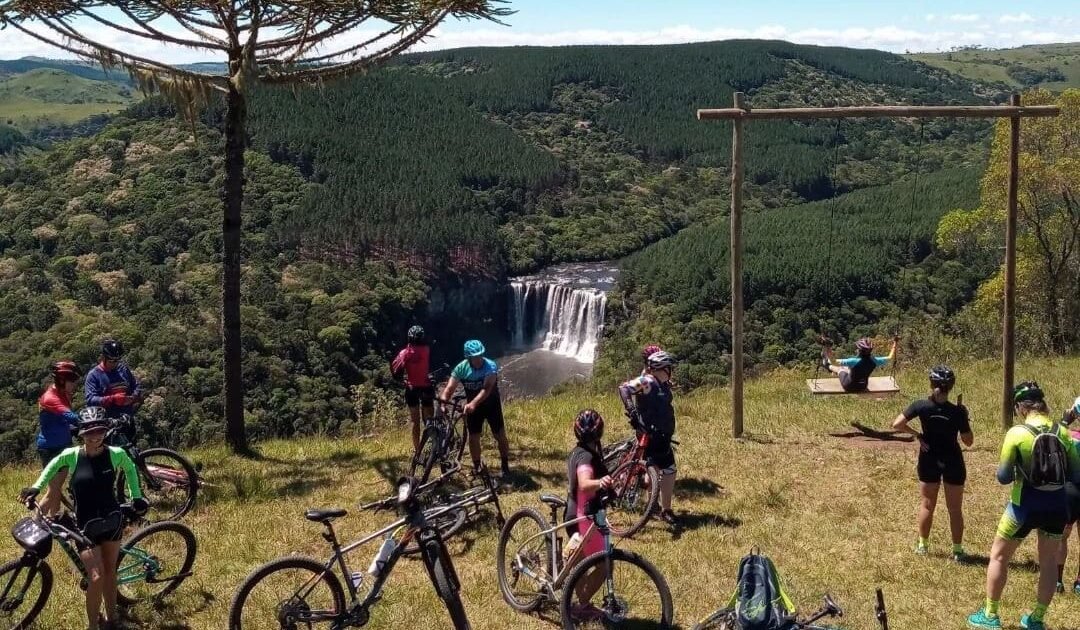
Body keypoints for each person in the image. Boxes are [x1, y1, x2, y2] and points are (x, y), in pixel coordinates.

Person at [20, 407, 148, 630]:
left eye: (99, 431)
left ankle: (111, 619)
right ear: (82, 433)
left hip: (112, 520)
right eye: (89, 432)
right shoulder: (73, 455)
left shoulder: (116, 454)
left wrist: (136, 496)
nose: (94, 436)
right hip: (84, 526)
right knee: (96, 577)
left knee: (110, 573)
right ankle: (92, 625)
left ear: (105, 431)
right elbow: (52, 466)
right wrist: (36, 487)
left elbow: (130, 468)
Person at [968, 382, 1080, 630]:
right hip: (1057, 506)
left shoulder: (1017, 434)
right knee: (1049, 561)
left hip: (1024, 506)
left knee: (999, 556)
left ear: (1021, 407)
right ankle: (1037, 618)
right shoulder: (1062, 432)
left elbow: (1003, 476)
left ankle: (990, 615)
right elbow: (1075, 473)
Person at [891, 365, 973, 560]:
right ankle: (957, 550)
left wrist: (918, 435)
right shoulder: (957, 411)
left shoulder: (920, 406)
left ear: (931, 384)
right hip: (953, 459)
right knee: (955, 509)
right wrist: (965, 417)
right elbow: (968, 442)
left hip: (929, 457)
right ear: (951, 387)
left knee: (927, 505)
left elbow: (897, 424)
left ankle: (923, 546)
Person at [618, 350, 679, 525]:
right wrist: (631, 410)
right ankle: (658, 508)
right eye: (669, 368)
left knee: (666, 470)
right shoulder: (648, 382)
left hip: (662, 435)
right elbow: (624, 388)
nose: (671, 371)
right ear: (662, 368)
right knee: (658, 469)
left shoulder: (661, 383)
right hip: (650, 434)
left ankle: (661, 508)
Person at [564, 409, 614, 621]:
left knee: (580, 559)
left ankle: (571, 591)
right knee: (606, 563)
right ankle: (581, 605)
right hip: (585, 518)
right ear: (599, 432)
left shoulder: (577, 451)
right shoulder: (586, 456)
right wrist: (600, 482)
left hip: (574, 514)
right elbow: (585, 484)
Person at [441, 339, 510, 477]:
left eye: (480, 355)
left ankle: (505, 465)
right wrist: (443, 403)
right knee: (473, 438)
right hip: (473, 408)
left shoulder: (490, 366)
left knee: (499, 436)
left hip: (491, 405)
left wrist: (472, 404)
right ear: (468, 357)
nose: (478, 359)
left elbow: (486, 389)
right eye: (475, 357)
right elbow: (449, 388)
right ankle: (477, 467)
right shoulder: (461, 368)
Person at [36, 360, 83, 516]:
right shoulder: (51, 398)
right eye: (72, 381)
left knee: (56, 489)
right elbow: (70, 417)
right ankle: (35, 524)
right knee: (52, 491)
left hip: (61, 444)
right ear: (62, 380)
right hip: (52, 448)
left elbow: (62, 421)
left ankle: (55, 520)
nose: (74, 385)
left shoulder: (62, 394)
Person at [392, 325, 434, 456]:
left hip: (411, 388)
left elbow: (395, 370)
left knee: (414, 421)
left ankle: (417, 451)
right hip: (426, 386)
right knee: (429, 419)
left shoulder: (404, 353)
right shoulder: (426, 350)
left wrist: (402, 380)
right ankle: (434, 448)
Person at [85, 339, 143, 419]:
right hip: (107, 423)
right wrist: (113, 399)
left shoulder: (123, 369)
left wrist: (133, 397)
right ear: (103, 358)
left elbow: (136, 385)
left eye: (117, 360)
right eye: (111, 361)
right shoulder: (94, 375)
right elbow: (90, 400)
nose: (114, 363)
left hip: (127, 419)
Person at [1056, 396, 1080, 595]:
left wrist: (1064, 421)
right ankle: (1079, 583)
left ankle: (1057, 580)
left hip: (1070, 489)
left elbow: (1051, 439)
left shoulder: (1067, 435)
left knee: (1062, 536)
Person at [821, 336, 897, 392]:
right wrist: (895, 343)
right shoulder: (874, 360)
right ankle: (831, 370)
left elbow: (834, 362)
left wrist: (827, 348)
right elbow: (890, 357)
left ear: (859, 351)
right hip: (863, 386)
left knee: (840, 368)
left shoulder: (853, 361)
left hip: (849, 386)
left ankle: (828, 367)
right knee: (848, 368)